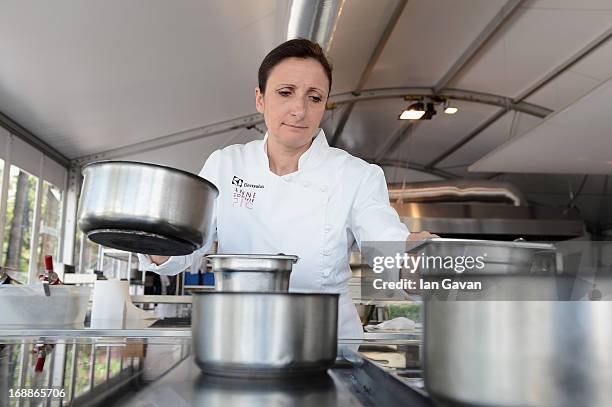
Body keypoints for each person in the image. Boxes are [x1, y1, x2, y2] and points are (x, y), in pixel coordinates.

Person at [138, 38, 434, 340]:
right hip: (238, 337)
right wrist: (151, 236)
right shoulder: (226, 165)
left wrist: (415, 262)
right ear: (260, 98)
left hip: (325, 345)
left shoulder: (356, 175)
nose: (299, 110)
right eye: (285, 93)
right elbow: (185, 251)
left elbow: (386, 245)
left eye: (315, 98)